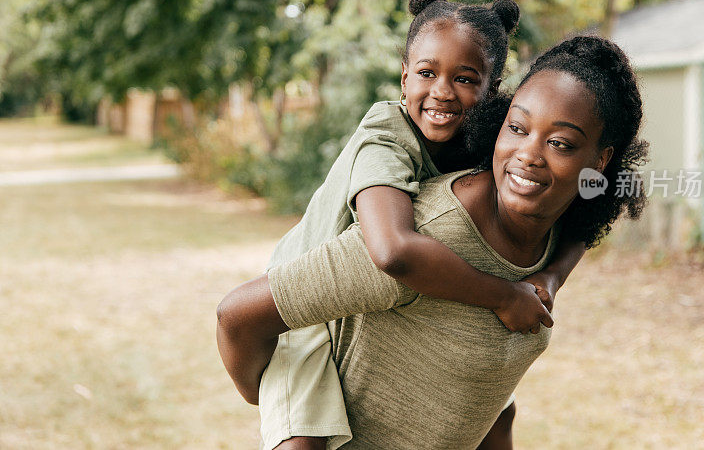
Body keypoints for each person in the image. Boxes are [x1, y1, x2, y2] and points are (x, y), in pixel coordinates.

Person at [217, 36, 649, 449]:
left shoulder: (552, 226)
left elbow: (490, 405)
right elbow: (237, 316)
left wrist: (554, 276)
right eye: (516, 128)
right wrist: (276, 402)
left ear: (600, 160)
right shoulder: (426, 235)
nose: (530, 154)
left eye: (559, 143)